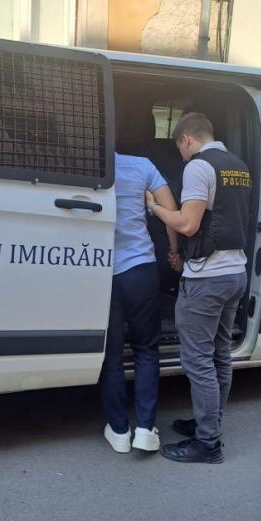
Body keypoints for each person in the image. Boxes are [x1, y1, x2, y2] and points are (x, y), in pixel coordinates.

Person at [145, 112, 251, 464]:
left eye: (180, 149)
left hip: (207, 278)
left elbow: (188, 224)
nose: (182, 156)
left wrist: (155, 209)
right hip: (235, 273)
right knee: (220, 355)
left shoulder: (198, 167)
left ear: (186, 139)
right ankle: (210, 425)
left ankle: (208, 443)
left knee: (198, 361)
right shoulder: (238, 166)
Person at [99, 151, 179, 454]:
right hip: (140, 268)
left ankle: (119, 430)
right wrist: (174, 251)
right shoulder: (143, 165)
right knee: (146, 349)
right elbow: (170, 208)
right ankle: (145, 429)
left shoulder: (92, 162)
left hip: (101, 270)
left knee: (112, 354)